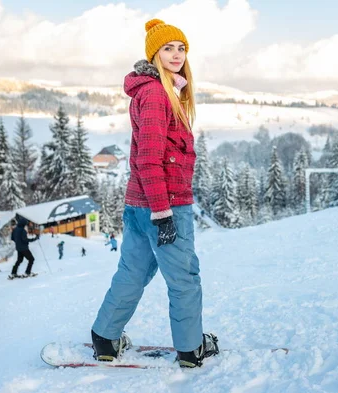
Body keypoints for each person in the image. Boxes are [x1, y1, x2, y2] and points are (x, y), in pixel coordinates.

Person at [91, 19, 219, 369]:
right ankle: (192, 349)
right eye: (168, 48)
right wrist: (163, 215)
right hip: (164, 206)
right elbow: (148, 159)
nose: (176, 54)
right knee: (184, 279)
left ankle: (105, 336)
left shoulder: (159, 91)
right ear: (154, 53)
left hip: (139, 203)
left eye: (181, 48)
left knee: (133, 272)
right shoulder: (156, 95)